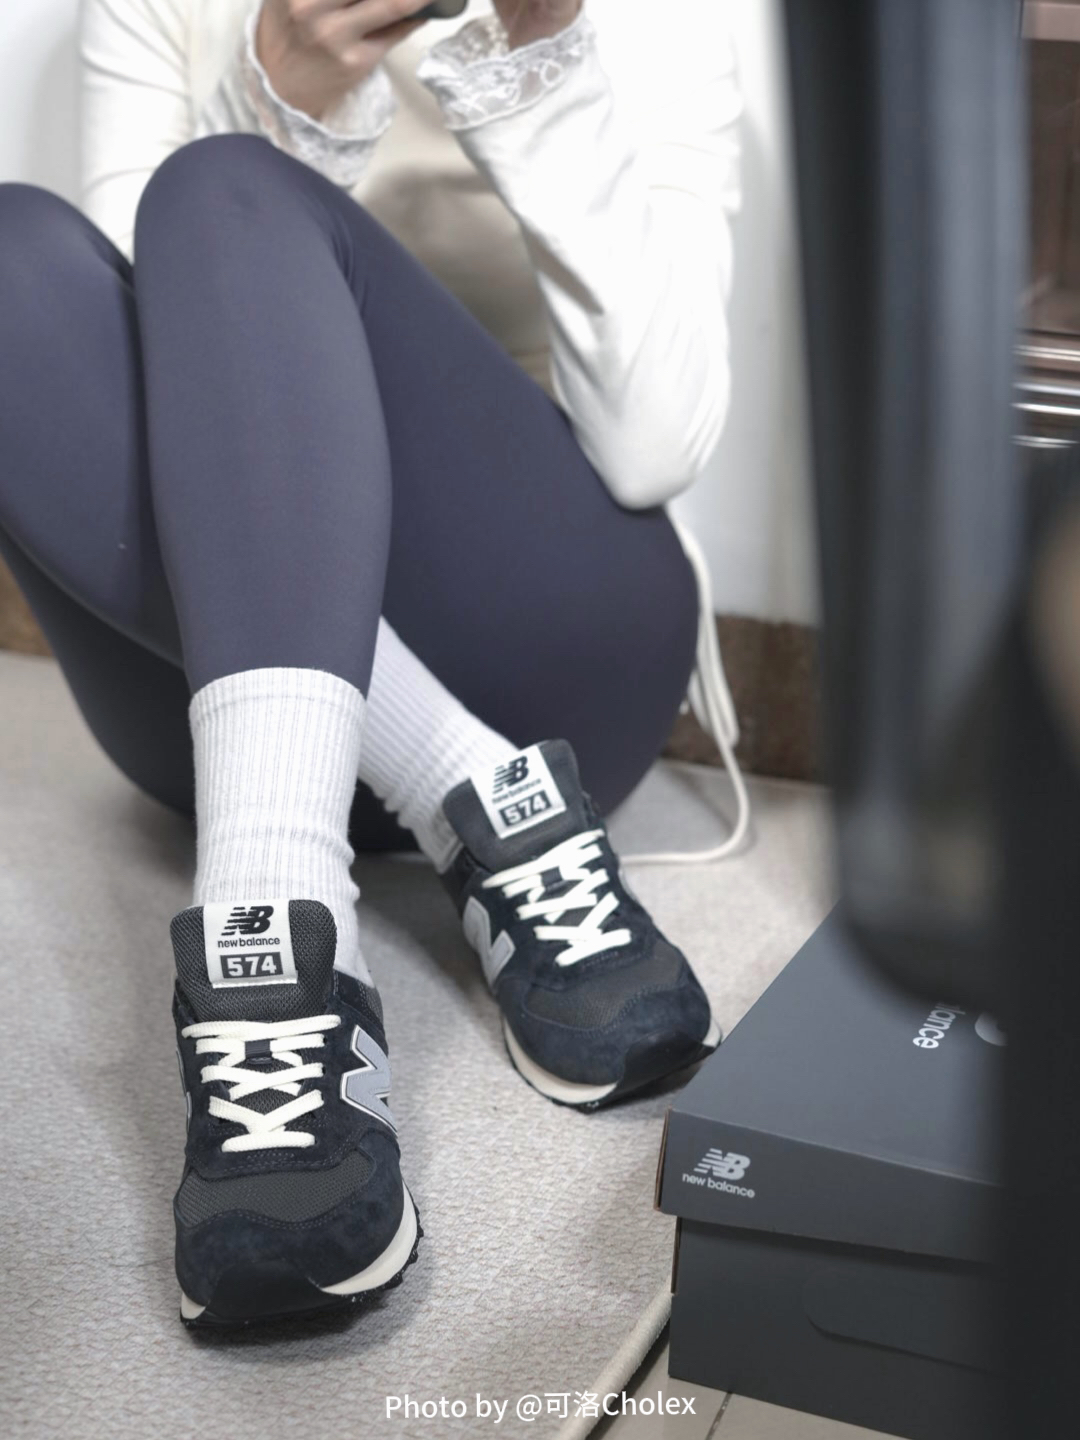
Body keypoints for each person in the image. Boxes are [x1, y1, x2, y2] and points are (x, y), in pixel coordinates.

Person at [0, 0, 742, 1327]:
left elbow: (657, 443)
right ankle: (461, 798)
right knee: (10, 255)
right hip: (216, 697)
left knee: (223, 184)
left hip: (553, 641)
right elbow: (108, 375)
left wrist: (542, 66)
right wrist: (289, 92)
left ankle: (283, 919)